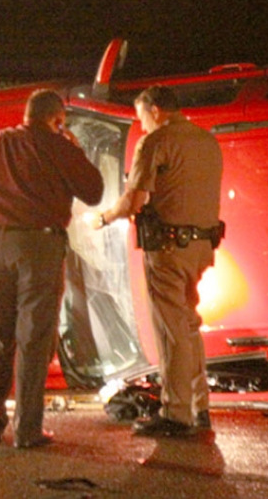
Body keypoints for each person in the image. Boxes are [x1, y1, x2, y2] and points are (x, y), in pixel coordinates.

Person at [0, 89, 104, 448]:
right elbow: (94, 191)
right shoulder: (57, 145)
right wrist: (74, 148)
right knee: (33, 338)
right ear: (57, 119)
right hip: (37, 246)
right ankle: (27, 431)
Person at [91, 85, 223, 437]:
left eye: (142, 117)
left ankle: (175, 412)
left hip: (167, 249)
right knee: (189, 325)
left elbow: (133, 202)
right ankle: (199, 407)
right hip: (202, 247)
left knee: (170, 330)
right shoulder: (207, 141)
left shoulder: (155, 142)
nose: (142, 125)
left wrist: (102, 218)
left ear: (156, 110)